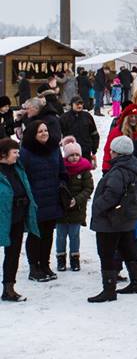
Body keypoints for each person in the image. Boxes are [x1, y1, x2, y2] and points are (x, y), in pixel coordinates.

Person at [87, 135, 137, 303]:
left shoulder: (118, 172)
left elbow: (112, 194)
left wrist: (97, 206)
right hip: (125, 217)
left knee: (106, 253)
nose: (110, 153)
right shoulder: (133, 167)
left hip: (110, 220)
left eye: (112, 150)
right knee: (127, 248)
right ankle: (136, 282)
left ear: (118, 153)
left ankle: (109, 290)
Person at [18, 119, 67, 282]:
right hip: (35, 200)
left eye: (45, 130)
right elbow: (21, 176)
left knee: (48, 234)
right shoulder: (26, 152)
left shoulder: (54, 149)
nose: (44, 133)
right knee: (35, 234)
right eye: (40, 131)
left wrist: (62, 183)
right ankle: (34, 267)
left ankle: (45, 264)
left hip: (52, 198)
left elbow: (62, 171)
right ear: (33, 134)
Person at [0, 138, 38, 302]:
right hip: (3, 218)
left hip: (17, 217)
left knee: (13, 254)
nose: (18, 155)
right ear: (3, 154)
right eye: (15, 152)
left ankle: (9, 288)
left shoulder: (17, 168)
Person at [55, 138, 93, 272]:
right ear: (66, 156)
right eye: (71, 155)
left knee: (74, 235)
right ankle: (61, 258)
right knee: (60, 235)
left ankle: (74, 258)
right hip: (61, 208)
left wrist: (77, 200)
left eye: (77, 154)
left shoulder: (84, 171)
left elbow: (88, 188)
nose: (74, 157)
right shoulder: (61, 169)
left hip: (77, 209)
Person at [59, 95, 99, 164]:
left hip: (86, 150)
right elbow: (59, 134)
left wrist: (94, 149)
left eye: (81, 103)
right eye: (77, 104)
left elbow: (94, 133)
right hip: (71, 151)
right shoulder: (64, 118)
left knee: (85, 169)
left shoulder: (87, 116)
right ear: (72, 104)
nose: (79, 106)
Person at [103, 104, 137, 171]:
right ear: (126, 118)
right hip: (118, 168)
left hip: (134, 168)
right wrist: (106, 168)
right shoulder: (117, 132)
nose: (134, 119)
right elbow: (108, 150)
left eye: (136, 117)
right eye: (131, 116)